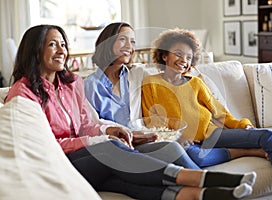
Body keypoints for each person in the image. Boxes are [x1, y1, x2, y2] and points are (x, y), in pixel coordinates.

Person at [4, 24, 256, 200]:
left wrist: (111, 129)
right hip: (62, 162)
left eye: (63, 44)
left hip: (93, 157)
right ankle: (193, 178)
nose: (62, 50)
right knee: (110, 150)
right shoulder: (22, 94)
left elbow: (85, 124)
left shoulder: (71, 83)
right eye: (52, 44)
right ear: (35, 49)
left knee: (120, 178)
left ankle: (196, 195)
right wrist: (100, 138)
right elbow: (47, 145)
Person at [141, 28, 272, 198]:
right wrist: (177, 137)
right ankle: (246, 151)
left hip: (212, 134)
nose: (183, 60)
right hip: (186, 144)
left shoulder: (196, 83)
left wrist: (243, 126)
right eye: (178, 54)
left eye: (188, 57)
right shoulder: (151, 83)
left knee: (267, 136)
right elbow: (153, 121)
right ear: (164, 56)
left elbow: (219, 112)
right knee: (193, 157)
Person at [84, 22, 200, 169]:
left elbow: (165, 87)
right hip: (117, 146)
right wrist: (128, 134)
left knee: (191, 150)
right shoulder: (89, 85)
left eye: (132, 41)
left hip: (146, 140)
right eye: (123, 39)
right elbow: (93, 124)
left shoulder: (138, 75)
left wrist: (176, 134)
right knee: (173, 150)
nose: (129, 46)